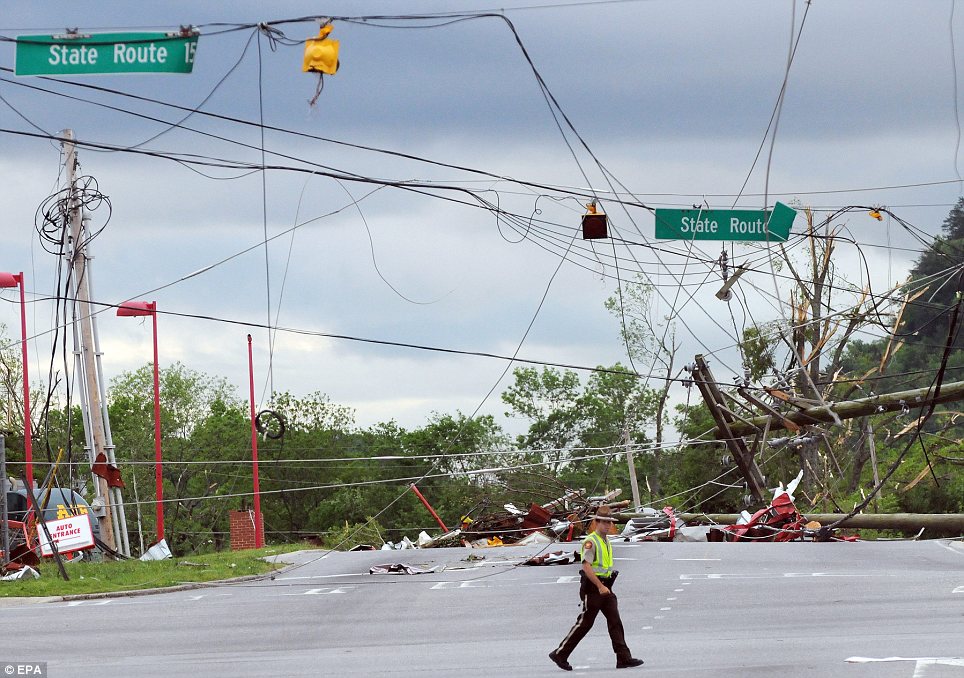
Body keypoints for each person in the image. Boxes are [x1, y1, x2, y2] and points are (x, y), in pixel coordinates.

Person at [549, 506, 644, 671]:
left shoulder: (605, 540)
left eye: (610, 523)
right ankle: (560, 653)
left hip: (606, 586)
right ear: (596, 522)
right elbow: (586, 567)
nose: (607, 526)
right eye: (604, 522)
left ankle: (623, 658)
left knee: (615, 621)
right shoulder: (591, 541)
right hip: (594, 588)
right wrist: (600, 586)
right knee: (585, 623)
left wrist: (605, 585)